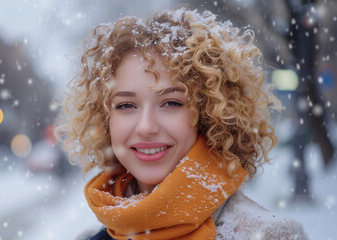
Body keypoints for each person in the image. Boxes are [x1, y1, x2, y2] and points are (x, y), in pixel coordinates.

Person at [57, 8, 308, 240]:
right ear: (105, 119)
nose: (146, 127)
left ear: (210, 112)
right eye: (126, 106)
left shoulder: (267, 235)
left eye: (171, 103)